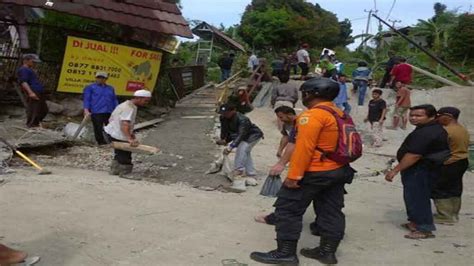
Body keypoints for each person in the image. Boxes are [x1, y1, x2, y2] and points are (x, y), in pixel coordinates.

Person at [250, 78, 355, 265]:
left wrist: (294, 176)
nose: (303, 96)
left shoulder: (311, 116)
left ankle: (286, 253)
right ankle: (327, 252)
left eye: (304, 92)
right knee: (331, 211)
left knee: (287, 210)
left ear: (312, 93)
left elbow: (303, 148)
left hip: (314, 172)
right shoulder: (339, 113)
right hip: (338, 170)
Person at [385, 104, 450, 239]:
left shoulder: (427, 132)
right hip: (418, 168)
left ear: (431, 116)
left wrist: (395, 170)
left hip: (421, 169)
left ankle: (424, 228)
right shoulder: (426, 128)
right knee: (412, 196)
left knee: (418, 198)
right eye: (412, 115)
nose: (413, 118)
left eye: (418, 116)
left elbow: (414, 155)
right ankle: (414, 222)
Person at [432, 107, 470, 224]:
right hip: (462, 160)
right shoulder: (462, 129)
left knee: (440, 188)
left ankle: (444, 216)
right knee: (455, 188)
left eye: (439, 116)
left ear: (448, 116)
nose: (437, 118)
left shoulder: (447, 131)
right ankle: (453, 214)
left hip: (450, 162)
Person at [104, 89, 152, 178]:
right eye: (145, 101)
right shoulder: (128, 108)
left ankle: (115, 170)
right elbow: (124, 125)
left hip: (112, 131)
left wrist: (131, 134)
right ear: (138, 98)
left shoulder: (127, 105)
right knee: (125, 153)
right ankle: (125, 173)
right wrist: (129, 139)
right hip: (118, 133)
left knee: (119, 152)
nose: (147, 103)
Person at [217, 103, 264, 193]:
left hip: (252, 135)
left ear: (233, 110)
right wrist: (224, 140)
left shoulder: (243, 119)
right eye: (223, 113)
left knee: (242, 149)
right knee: (246, 152)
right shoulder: (223, 117)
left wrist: (231, 146)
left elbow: (241, 134)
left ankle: (239, 170)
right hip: (239, 136)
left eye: (226, 113)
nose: (224, 115)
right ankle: (251, 173)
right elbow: (225, 129)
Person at [83, 72, 119, 145]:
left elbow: (114, 99)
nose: (100, 79)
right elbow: (87, 99)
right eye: (98, 77)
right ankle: (101, 142)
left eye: (102, 78)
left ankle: (112, 141)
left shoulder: (110, 88)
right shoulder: (90, 87)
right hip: (96, 111)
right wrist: (86, 110)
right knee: (98, 128)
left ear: (106, 79)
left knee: (111, 127)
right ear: (96, 78)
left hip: (109, 111)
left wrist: (117, 109)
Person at [17, 54, 49, 128]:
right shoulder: (23, 70)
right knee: (34, 109)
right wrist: (30, 92)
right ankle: (32, 124)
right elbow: (23, 82)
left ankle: (36, 123)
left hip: (38, 91)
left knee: (43, 109)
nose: (34, 63)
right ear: (26, 61)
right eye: (33, 61)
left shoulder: (29, 70)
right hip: (34, 91)